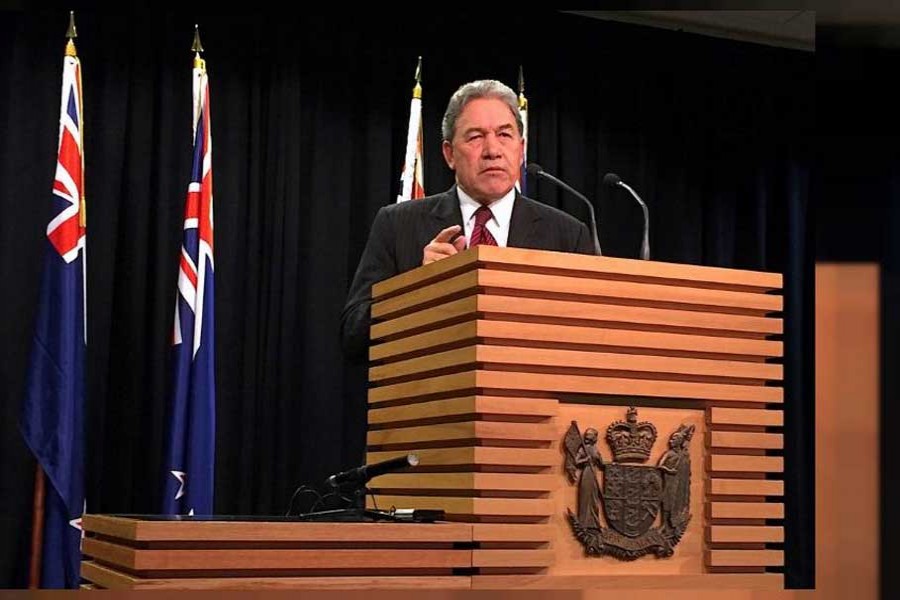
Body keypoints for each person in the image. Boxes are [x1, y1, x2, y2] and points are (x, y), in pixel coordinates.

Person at [341, 79, 595, 361]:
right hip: (431, 398)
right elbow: (353, 338)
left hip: (530, 402)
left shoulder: (567, 235)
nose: (492, 150)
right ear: (449, 154)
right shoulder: (397, 224)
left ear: (521, 149)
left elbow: (592, 341)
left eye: (504, 135)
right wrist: (417, 288)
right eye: (475, 136)